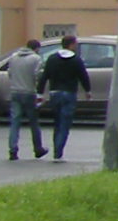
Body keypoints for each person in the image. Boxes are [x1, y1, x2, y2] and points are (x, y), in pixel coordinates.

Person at [38, 32, 89, 161]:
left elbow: (45, 76)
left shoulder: (52, 58)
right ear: (71, 45)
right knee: (65, 123)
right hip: (69, 93)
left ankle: (56, 146)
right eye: (75, 44)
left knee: (57, 122)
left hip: (55, 93)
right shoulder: (76, 60)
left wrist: (39, 92)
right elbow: (83, 76)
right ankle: (58, 150)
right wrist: (87, 90)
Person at [3, 38, 46, 161]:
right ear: (36, 48)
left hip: (15, 92)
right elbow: (37, 75)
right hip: (29, 92)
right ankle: (38, 149)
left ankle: (13, 150)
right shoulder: (35, 59)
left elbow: (10, 73)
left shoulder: (13, 57)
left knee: (15, 123)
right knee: (33, 122)